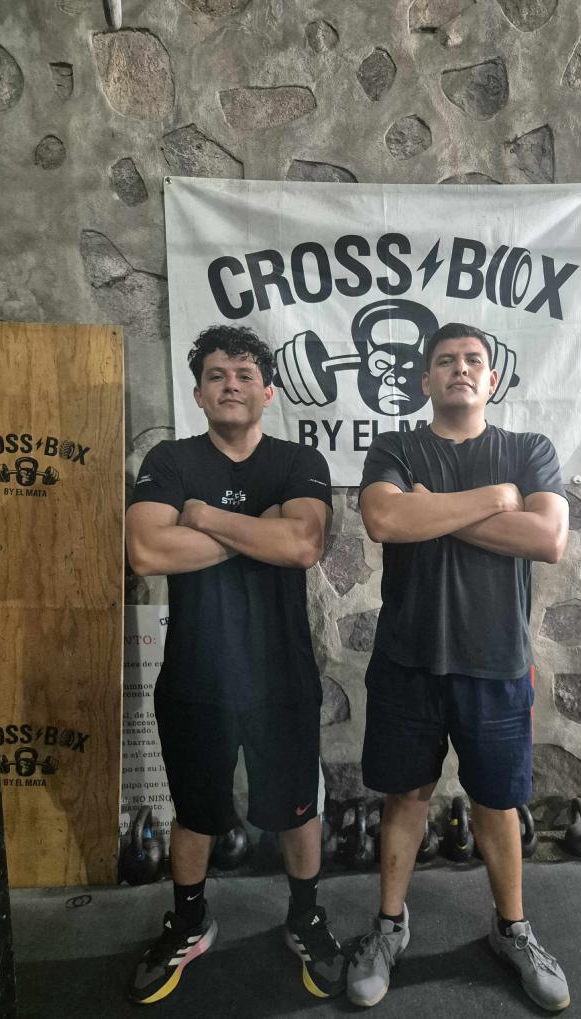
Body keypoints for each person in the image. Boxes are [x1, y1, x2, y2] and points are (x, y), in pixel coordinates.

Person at [347, 322, 571, 1011]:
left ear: (492, 379)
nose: (461, 369)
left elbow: (548, 537)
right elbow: (384, 521)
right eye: (446, 361)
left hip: (496, 663)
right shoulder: (396, 446)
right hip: (408, 659)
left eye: (474, 360)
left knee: (496, 803)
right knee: (405, 796)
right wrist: (496, 500)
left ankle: (513, 929)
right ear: (426, 380)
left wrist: (431, 511)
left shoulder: (528, 449)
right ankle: (389, 926)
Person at [125, 325, 346, 1004]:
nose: (230, 385)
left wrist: (201, 518)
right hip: (196, 674)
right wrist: (258, 529)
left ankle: (305, 917)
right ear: (197, 393)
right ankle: (190, 922)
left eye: (245, 374)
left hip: (281, 674)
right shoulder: (171, 459)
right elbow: (148, 552)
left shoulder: (297, 461)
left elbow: (303, 544)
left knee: (297, 808)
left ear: (268, 392)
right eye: (217, 375)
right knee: (195, 812)